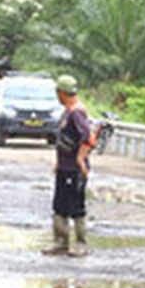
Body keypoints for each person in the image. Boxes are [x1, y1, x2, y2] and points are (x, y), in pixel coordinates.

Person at [46, 75, 95, 256]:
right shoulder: (67, 112)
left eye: (57, 93)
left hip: (75, 169)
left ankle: (81, 244)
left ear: (62, 93)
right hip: (64, 167)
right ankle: (60, 242)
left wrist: (80, 159)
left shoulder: (76, 113)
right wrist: (59, 162)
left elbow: (88, 139)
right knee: (60, 205)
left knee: (76, 206)